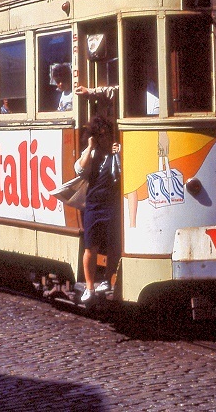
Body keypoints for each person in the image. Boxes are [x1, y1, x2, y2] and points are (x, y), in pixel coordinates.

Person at [76, 115, 120, 303]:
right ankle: (89, 287)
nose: (105, 139)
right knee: (90, 247)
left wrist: (119, 153)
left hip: (111, 204)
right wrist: (90, 146)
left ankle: (107, 280)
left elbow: (121, 173)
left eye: (107, 135)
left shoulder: (115, 153)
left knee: (113, 245)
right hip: (93, 204)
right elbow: (79, 169)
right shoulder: (92, 154)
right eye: (100, 136)